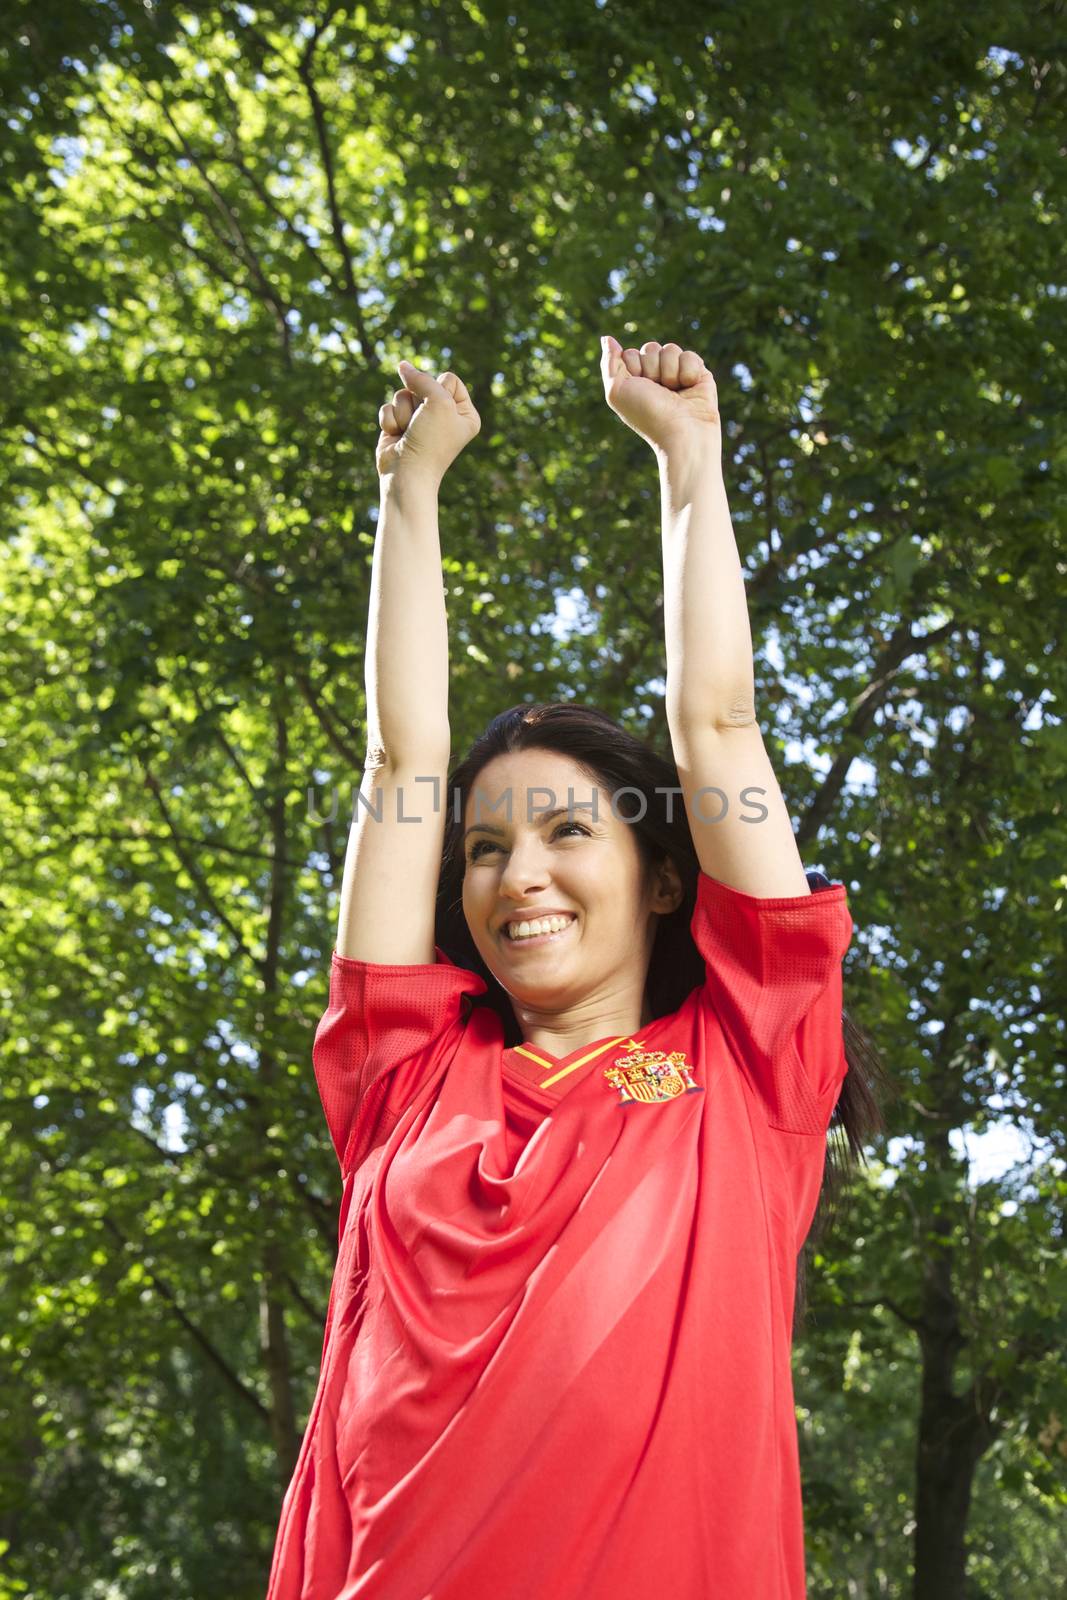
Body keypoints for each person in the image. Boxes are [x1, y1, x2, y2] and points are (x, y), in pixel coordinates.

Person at [266, 340, 887, 1599]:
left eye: (565, 832)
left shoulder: (748, 1065)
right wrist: (408, 490)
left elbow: (719, 721)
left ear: (663, 876)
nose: (516, 875)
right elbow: (401, 765)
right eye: (485, 849)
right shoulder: (406, 1074)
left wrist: (687, 461)